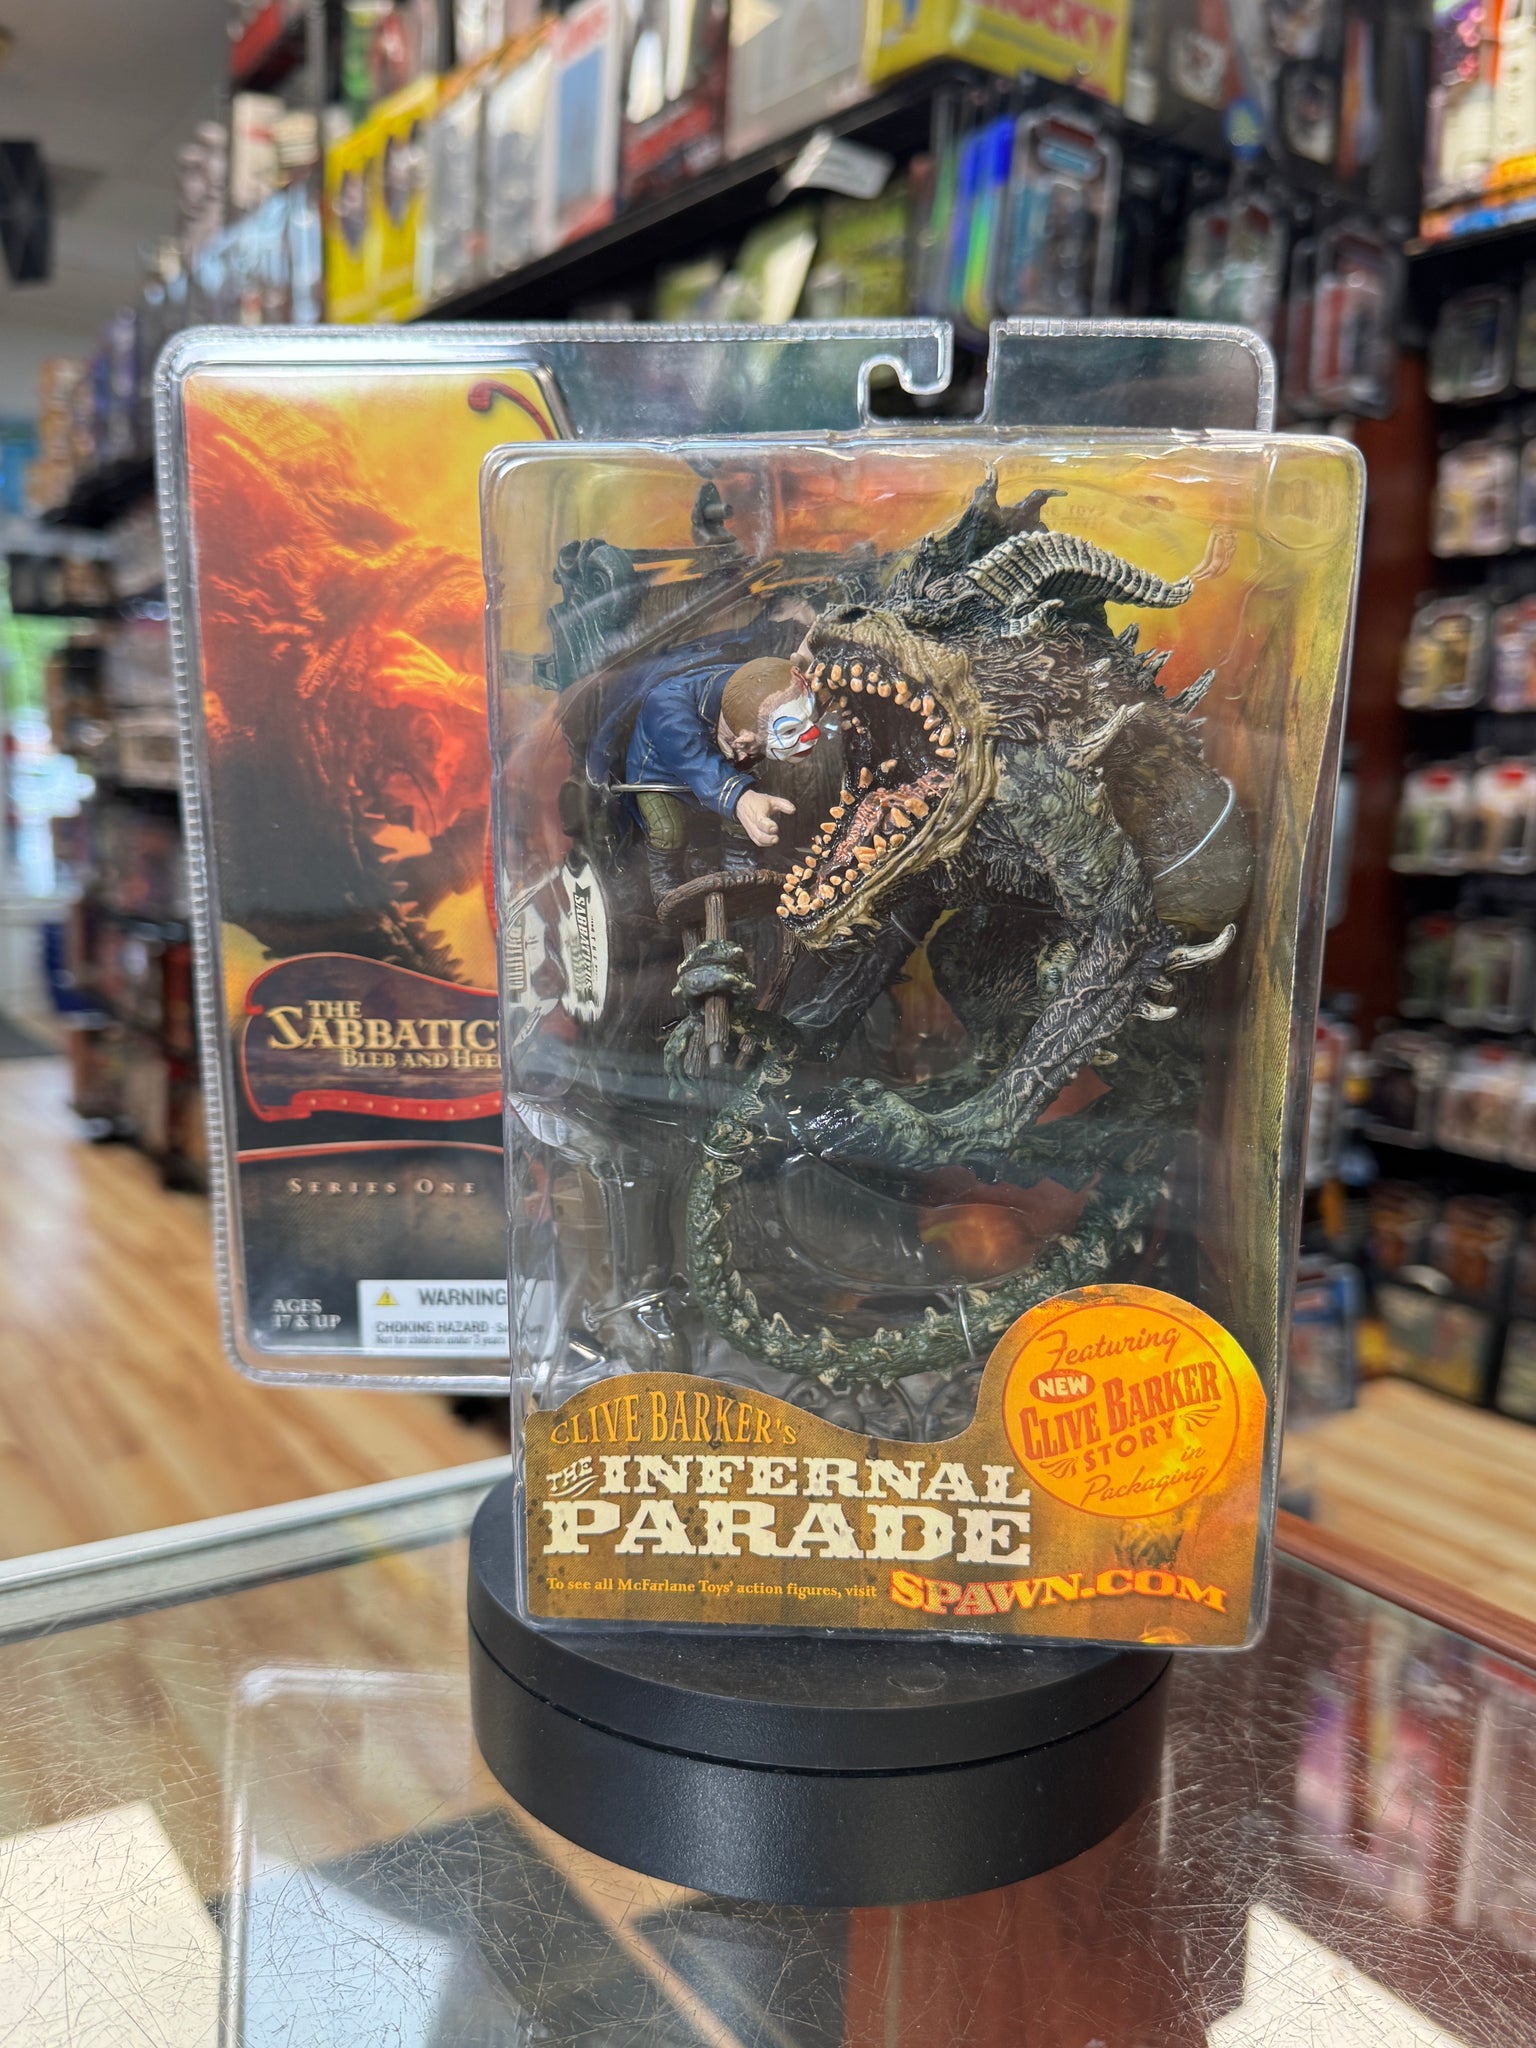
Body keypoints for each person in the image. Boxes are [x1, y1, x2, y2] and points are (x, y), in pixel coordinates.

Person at [625, 652, 832, 905]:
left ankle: (740, 866)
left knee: (745, 818)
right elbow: (695, 761)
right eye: (789, 730)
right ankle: (667, 886)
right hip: (662, 780)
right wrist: (741, 799)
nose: (811, 734)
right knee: (667, 830)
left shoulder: (759, 686)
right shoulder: (667, 707)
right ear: (744, 740)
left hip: (727, 766)